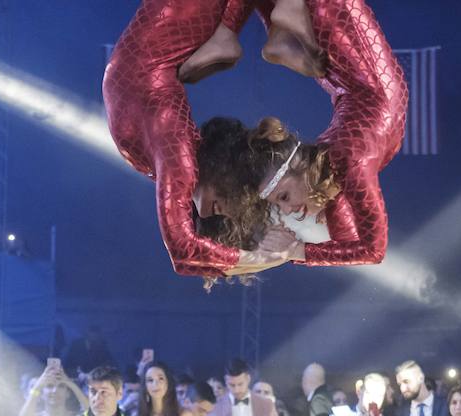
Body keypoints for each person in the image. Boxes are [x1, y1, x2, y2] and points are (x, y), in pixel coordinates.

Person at [103, 0, 408, 278]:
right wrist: (290, 252)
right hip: (356, 84)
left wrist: (275, 255)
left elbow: (184, 254)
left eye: (284, 198)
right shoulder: (341, 165)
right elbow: (353, 242)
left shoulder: (178, 156)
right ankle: (262, 26)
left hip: (142, 73)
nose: (289, 212)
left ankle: (254, 26)